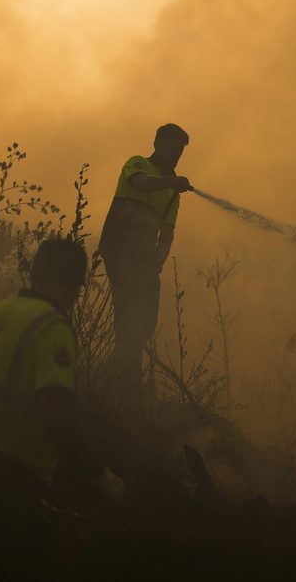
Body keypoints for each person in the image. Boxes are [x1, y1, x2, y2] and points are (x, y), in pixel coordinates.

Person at [0, 237, 124, 579]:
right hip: (6, 490)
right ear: (75, 286)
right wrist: (102, 478)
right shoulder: (52, 327)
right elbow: (58, 415)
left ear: (35, 271)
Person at [98, 123, 191, 392]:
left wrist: (158, 262)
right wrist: (171, 181)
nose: (176, 153)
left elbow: (168, 233)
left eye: (180, 150)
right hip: (119, 247)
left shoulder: (173, 191)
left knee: (146, 311)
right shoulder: (137, 164)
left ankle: (124, 366)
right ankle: (122, 374)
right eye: (172, 146)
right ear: (157, 143)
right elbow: (140, 184)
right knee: (130, 306)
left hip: (142, 259)